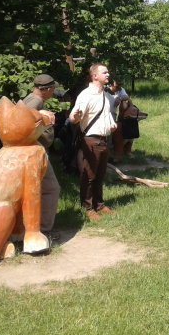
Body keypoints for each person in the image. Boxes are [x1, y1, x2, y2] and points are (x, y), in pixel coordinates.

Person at [69, 63, 117, 221]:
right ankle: (88, 208)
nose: (108, 74)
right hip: (91, 140)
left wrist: (112, 123)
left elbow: (105, 113)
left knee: (100, 175)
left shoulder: (104, 94)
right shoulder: (86, 94)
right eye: (104, 72)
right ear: (94, 76)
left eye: (108, 72)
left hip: (103, 140)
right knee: (89, 176)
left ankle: (99, 205)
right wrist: (75, 117)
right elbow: (74, 117)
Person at [22, 74, 61, 235]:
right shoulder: (35, 101)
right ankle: (44, 230)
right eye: (53, 89)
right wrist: (40, 113)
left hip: (32, 151)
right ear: (48, 89)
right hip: (35, 151)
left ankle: (31, 227)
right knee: (51, 189)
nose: (53, 92)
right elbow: (23, 117)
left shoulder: (32, 99)